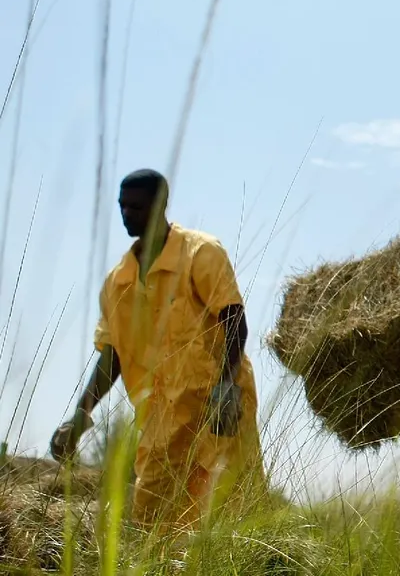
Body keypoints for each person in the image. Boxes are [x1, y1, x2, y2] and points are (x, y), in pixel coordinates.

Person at [50, 169, 266, 531]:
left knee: (228, 513)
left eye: (136, 206)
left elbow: (234, 320)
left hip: (216, 411)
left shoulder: (201, 252)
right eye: (122, 207)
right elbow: (111, 355)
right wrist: (80, 416)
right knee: (152, 517)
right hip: (159, 420)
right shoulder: (118, 281)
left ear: (161, 204)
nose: (127, 214)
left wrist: (228, 388)